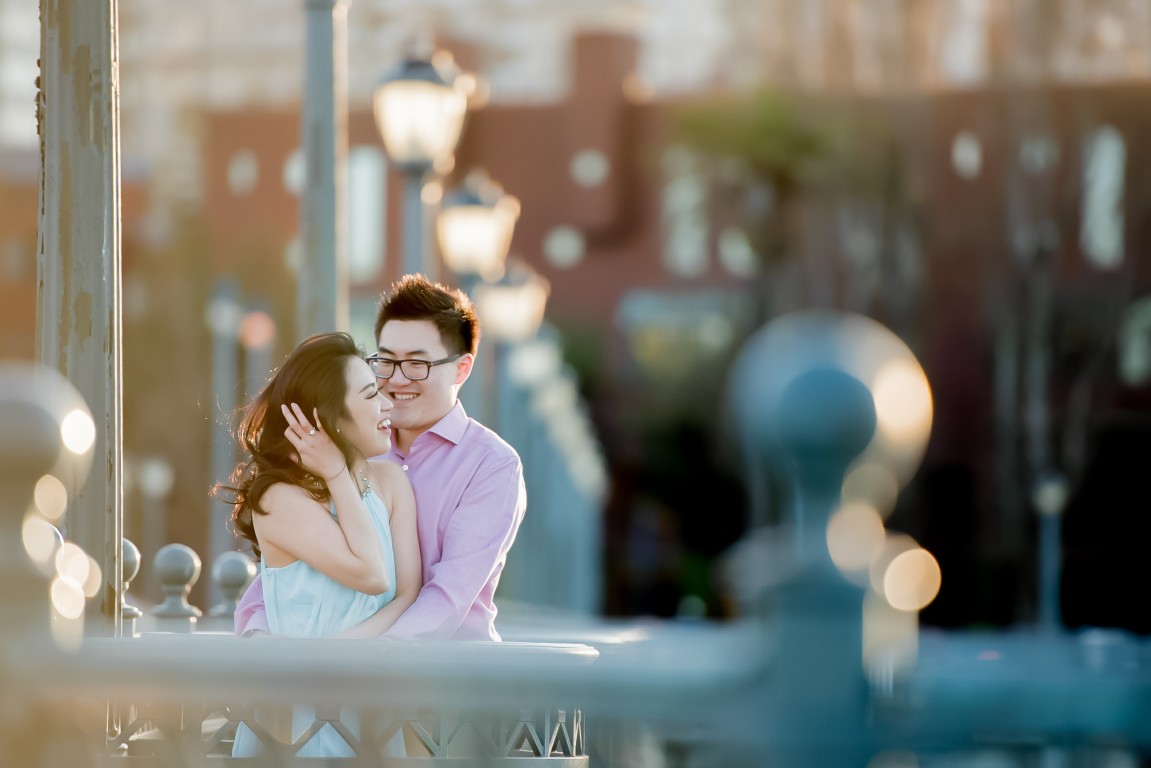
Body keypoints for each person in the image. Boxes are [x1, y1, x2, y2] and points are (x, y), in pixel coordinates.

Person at [235, 274, 527, 641]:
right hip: (328, 665)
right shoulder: (341, 452)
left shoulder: (491, 465)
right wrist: (264, 640)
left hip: (444, 670)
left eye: (417, 363)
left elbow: (446, 598)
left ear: (462, 368)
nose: (397, 380)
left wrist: (359, 661)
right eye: (386, 361)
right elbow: (287, 574)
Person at [216, 331, 420, 756]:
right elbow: (372, 574)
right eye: (371, 395)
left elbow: (407, 593)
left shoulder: (391, 482)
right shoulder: (279, 499)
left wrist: (341, 651)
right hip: (298, 719)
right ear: (327, 418)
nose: (387, 405)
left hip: (369, 709)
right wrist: (337, 474)